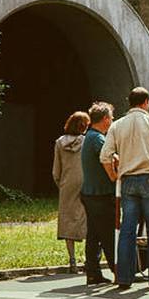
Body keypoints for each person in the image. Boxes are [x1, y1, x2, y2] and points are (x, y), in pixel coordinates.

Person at [100, 86, 149, 291]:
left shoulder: (118, 126)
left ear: (130, 102)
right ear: (146, 102)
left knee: (127, 229)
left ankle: (124, 276)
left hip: (128, 181)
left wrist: (115, 176)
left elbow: (105, 156)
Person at [79, 101, 116, 285]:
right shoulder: (98, 139)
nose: (112, 121)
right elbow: (109, 158)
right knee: (108, 234)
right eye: (111, 118)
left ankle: (93, 273)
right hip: (100, 194)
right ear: (104, 119)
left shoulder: (90, 136)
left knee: (94, 235)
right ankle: (119, 270)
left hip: (89, 193)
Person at [52, 111, 89, 272]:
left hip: (67, 184)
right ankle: (89, 260)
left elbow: (56, 169)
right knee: (87, 219)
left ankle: (72, 260)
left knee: (67, 219)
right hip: (85, 183)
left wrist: (61, 183)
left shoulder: (60, 142)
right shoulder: (87, 142)